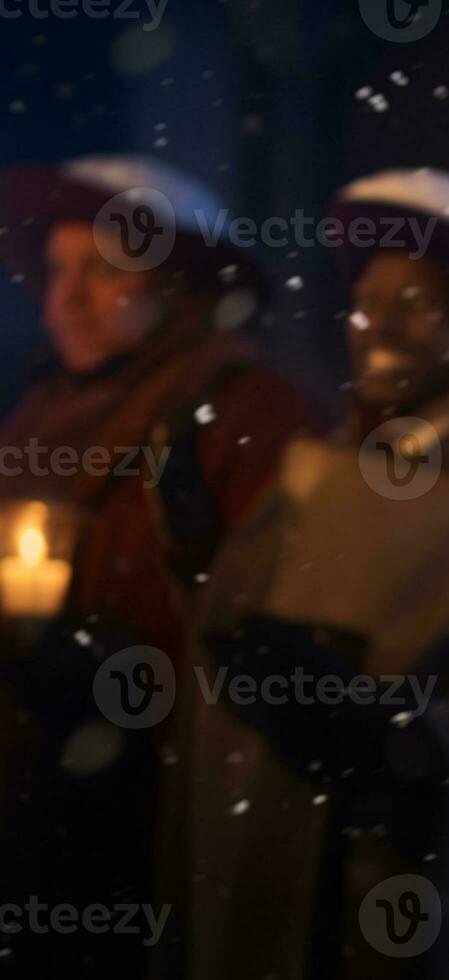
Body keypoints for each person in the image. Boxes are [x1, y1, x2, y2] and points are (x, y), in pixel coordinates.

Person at [159, 167, 449, 980]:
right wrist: (196, 562)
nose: (375, 325)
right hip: (267, 848)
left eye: (416, 302)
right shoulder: (330, 462)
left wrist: (400, 746)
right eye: (367, 297)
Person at [0, 155, 323, 976]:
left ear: (180, 285)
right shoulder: (40, 414)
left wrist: (115, 671)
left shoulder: (251, 414)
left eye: (103, 270)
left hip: (154, 812)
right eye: (57, 271)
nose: (66, 296)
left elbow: (264, 622)